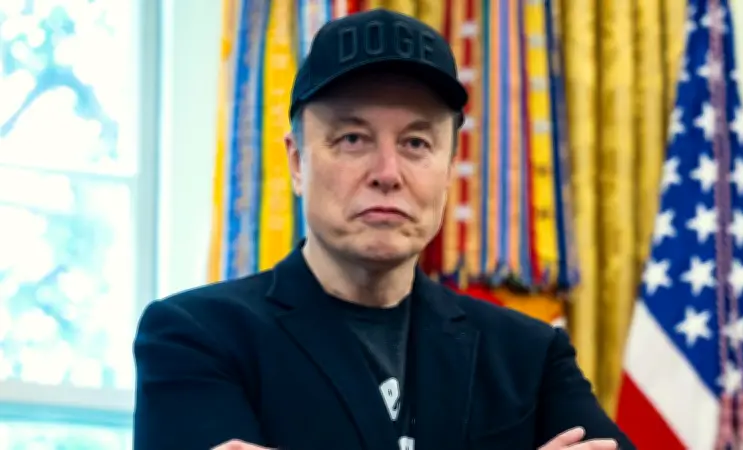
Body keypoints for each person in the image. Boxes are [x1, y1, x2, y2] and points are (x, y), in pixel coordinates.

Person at [132, 8, 634, 450]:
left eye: (416, 143)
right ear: (298, 161)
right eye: (353, 138)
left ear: (449, 167)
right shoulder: (196, 337)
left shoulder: (529, 355)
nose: (387, 173)